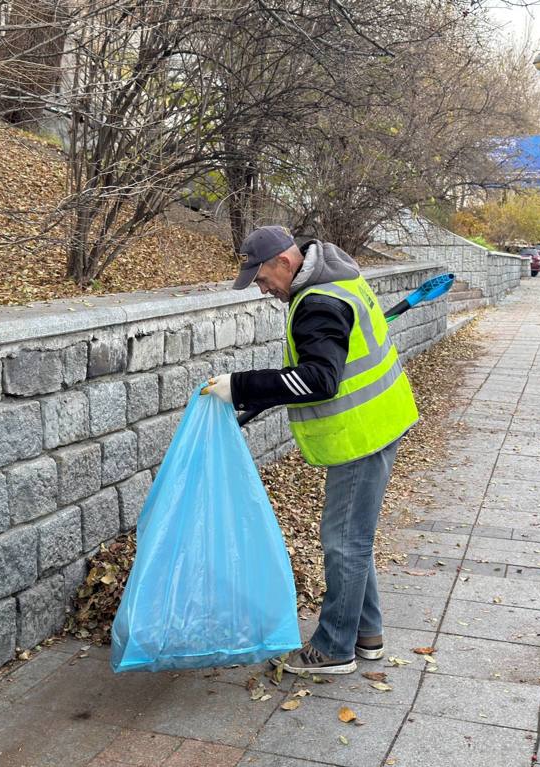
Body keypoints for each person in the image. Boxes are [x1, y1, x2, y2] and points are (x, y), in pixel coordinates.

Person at [201, 225, 418, 675]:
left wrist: (240, 384)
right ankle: (366, 634)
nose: (262, 290)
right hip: (377, 422)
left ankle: (334, 648)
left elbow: (318, 380)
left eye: (261, 279)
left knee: (344, 542)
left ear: (284, 262)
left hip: (361, 434)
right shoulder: (336, 278)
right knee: (352, 538)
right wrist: (250, 400)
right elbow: (310, 371)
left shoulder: (318, 303)